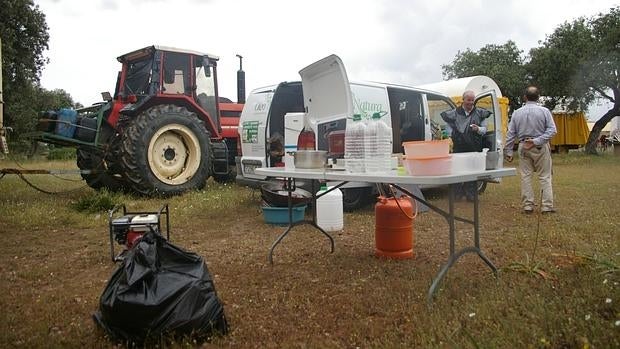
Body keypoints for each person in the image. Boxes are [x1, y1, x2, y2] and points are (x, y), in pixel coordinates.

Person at [504, 86, 557, 214]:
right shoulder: (544, 111)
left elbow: (511, 133)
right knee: (545, 176)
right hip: (540, 146)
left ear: (525, 97)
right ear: (538, 97)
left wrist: (509, 151)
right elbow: (552, 130)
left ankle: (528, 206)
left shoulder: (517, 112)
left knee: (526, 176)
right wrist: (537, 141)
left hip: (523, 145)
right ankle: (546, 207)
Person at [441, 90, 492, 201]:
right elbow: (449, 127)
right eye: (468, 100)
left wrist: (478, 129)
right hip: (459, 146)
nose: (470, 102)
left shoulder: (479, 113)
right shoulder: (454, 113)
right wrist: (449, 137)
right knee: (457, 171)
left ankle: (471, 195)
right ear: (463, 100)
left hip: (474, 147)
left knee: (472, 171)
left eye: (472, 100)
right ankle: (456, 195)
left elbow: (484, 129)